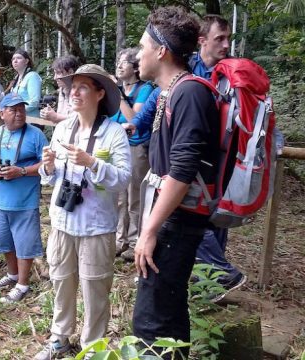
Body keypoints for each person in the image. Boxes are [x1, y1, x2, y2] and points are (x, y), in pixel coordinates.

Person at [132, 7, 220, 357]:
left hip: (176, 222)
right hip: (170, 218)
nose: (138, 54)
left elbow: (183, 169)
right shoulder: (172, 92)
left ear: (161, 50)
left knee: (152, 322)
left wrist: (149, 231)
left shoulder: (189, 94)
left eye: (142, 46)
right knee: (166, 309)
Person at [34, 64, 131, 360]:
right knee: (61, 280)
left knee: (95, 289)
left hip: (96, 225)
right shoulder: (63, 128)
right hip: (63, 220)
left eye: (82, 87)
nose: (73, 92)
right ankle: (60, 338)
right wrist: (47, 166)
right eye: (71, 86)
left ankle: (93, 348)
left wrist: (92, 163)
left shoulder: (114, 133)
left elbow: (125, 177)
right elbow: (48, 175)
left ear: (100, 94)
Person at [189, 15, 247, 301]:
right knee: (192, 214)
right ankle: (217, 274)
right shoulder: (187, 67)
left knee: (217, 216)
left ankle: (213, 282)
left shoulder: (233, 74)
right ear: (202, 40)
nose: (226, 45)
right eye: (219, 39)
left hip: (224, 157)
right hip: (192, 154)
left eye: (228, 39)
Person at [0, 93, 48, 304]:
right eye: (13, 109)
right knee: (3, 241)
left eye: (22, 109)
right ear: (2, 113)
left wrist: (22, 171)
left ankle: (23, 284)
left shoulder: (36, 135)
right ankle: (12, 274)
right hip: (0, 200)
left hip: (25, 202)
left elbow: (47, 165)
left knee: (25, 243)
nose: (19, 113)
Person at [110, 48, 155, 261]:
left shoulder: (145, 89)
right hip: (117, 146)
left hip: (137, 147)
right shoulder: (118, 89)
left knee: (135, 196)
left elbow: (134, 118)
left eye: (124, 62)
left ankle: (136, 239)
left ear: (135, 67)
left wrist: (118, 96)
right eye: (118, 62)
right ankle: (120, 240)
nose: (119, 66)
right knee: (119, 196)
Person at [40, 55, 80, 123]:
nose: (55, 78)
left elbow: (81, 120)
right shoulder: (62, 90)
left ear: (70, 72)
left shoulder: (81, 92)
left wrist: (56, 117)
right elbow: (62, 115)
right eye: (55, 73)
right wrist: (48, 114)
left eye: (58, 73)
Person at [7, 49, 42, 118]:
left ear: (26, 61)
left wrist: (17, 110)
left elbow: (34, 102)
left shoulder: (32, 76)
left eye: (19, 58)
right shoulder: (16, 77)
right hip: (17, 119)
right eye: (13, 59)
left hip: (31, 119)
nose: (15, 61)